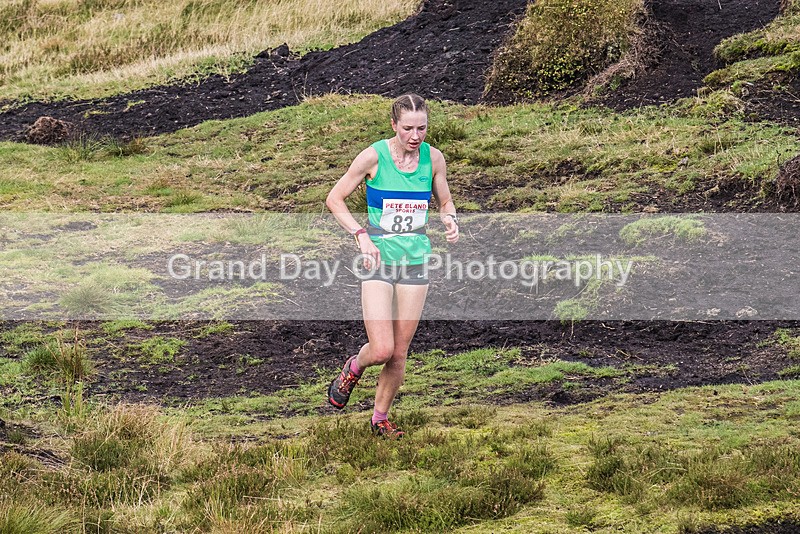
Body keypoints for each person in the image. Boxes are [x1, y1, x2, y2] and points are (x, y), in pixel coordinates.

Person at [325, 93, 459, 439]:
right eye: (408, 129)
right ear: (394, 125)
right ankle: (353, 367)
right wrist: (360, 235)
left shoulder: (434, 159)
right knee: (381, 348)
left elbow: (444, 199)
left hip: (415, 261)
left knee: (398, 353)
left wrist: (449, 218)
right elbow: (334, 198)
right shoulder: (374, 156)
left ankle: (379, 418)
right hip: (378, 258)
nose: (415, 136)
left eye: (422, 128)